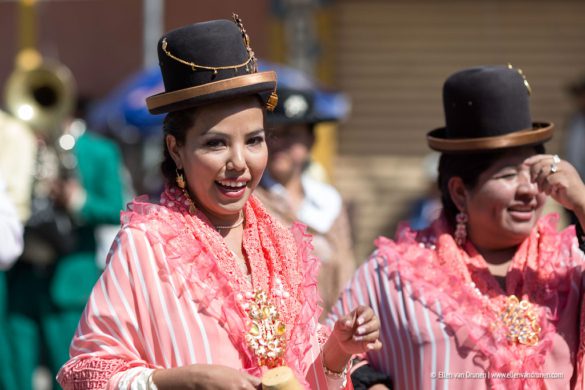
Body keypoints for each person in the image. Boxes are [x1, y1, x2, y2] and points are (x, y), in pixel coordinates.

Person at [57, 15, 381, 389]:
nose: (239, 163)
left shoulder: (281, 242)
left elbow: (294, 371)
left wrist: (338, 350)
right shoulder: (146, 245)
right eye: (215, 143)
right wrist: (180, 381)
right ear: (176, 149)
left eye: (254, 141)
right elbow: (86, 373)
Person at [328, 65, 585, 389]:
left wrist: (583, 203)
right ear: (460, 192)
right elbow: (328, 352)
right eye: (507, 175)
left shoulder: (571, 264)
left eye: (535, 174)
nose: (528, 190)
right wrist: (370, 384)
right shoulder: (392, 275)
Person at [6, 102, 126, 390]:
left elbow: (115, 208)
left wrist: (77, 201)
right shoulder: (20, 146)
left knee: (71, 379)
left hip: (70, 282)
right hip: (20, 280)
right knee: (13, 377)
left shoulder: (99, 150)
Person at [255, 74, 356, 319]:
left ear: (311, 140)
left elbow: (345, 270)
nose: (280, 144)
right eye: (273, 134)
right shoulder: (251, 199)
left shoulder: (329, 201)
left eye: (291, 134)